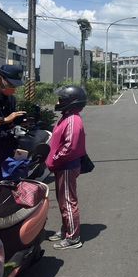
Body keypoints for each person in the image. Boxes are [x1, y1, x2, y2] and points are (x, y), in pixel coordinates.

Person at [46, 85, 87, 250]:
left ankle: (73, 238)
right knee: (63, 200)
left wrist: (54, 159)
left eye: (61, 99)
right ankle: (66, 230)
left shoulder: (72, 120)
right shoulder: (66, 116)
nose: (58, 102)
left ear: (71, 102)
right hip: (62, 166)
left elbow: (69, 146)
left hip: (67, 166)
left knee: (68, 201)